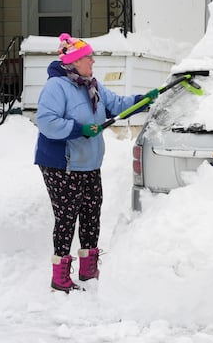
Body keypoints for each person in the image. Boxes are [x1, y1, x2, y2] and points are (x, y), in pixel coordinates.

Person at [35, 33, 158, 293]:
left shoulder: (92, 85)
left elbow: (117, 105)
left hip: (89, 164)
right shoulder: (56, 86)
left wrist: (145, 100)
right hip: (62, 164)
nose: (92, 60)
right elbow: (47, 122)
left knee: (91, 214)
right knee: (67, 218)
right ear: (74, 61)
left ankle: (88, 269)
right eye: (88, 57)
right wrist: (80, 129)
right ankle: (60, 276)